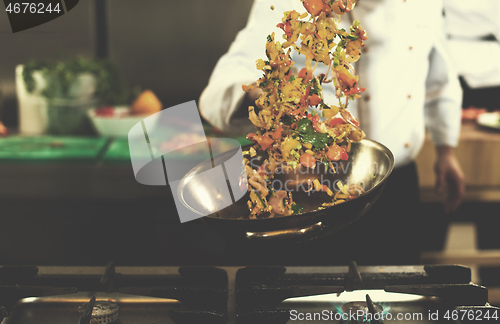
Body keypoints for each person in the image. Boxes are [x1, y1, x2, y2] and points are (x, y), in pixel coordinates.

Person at [199, 0, 465, 265]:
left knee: (393, 296)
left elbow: (439, 80)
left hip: (394, 186)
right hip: (308, 188)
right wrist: (267, 97)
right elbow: (221, 86)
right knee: (306, 297)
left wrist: (446, 150)